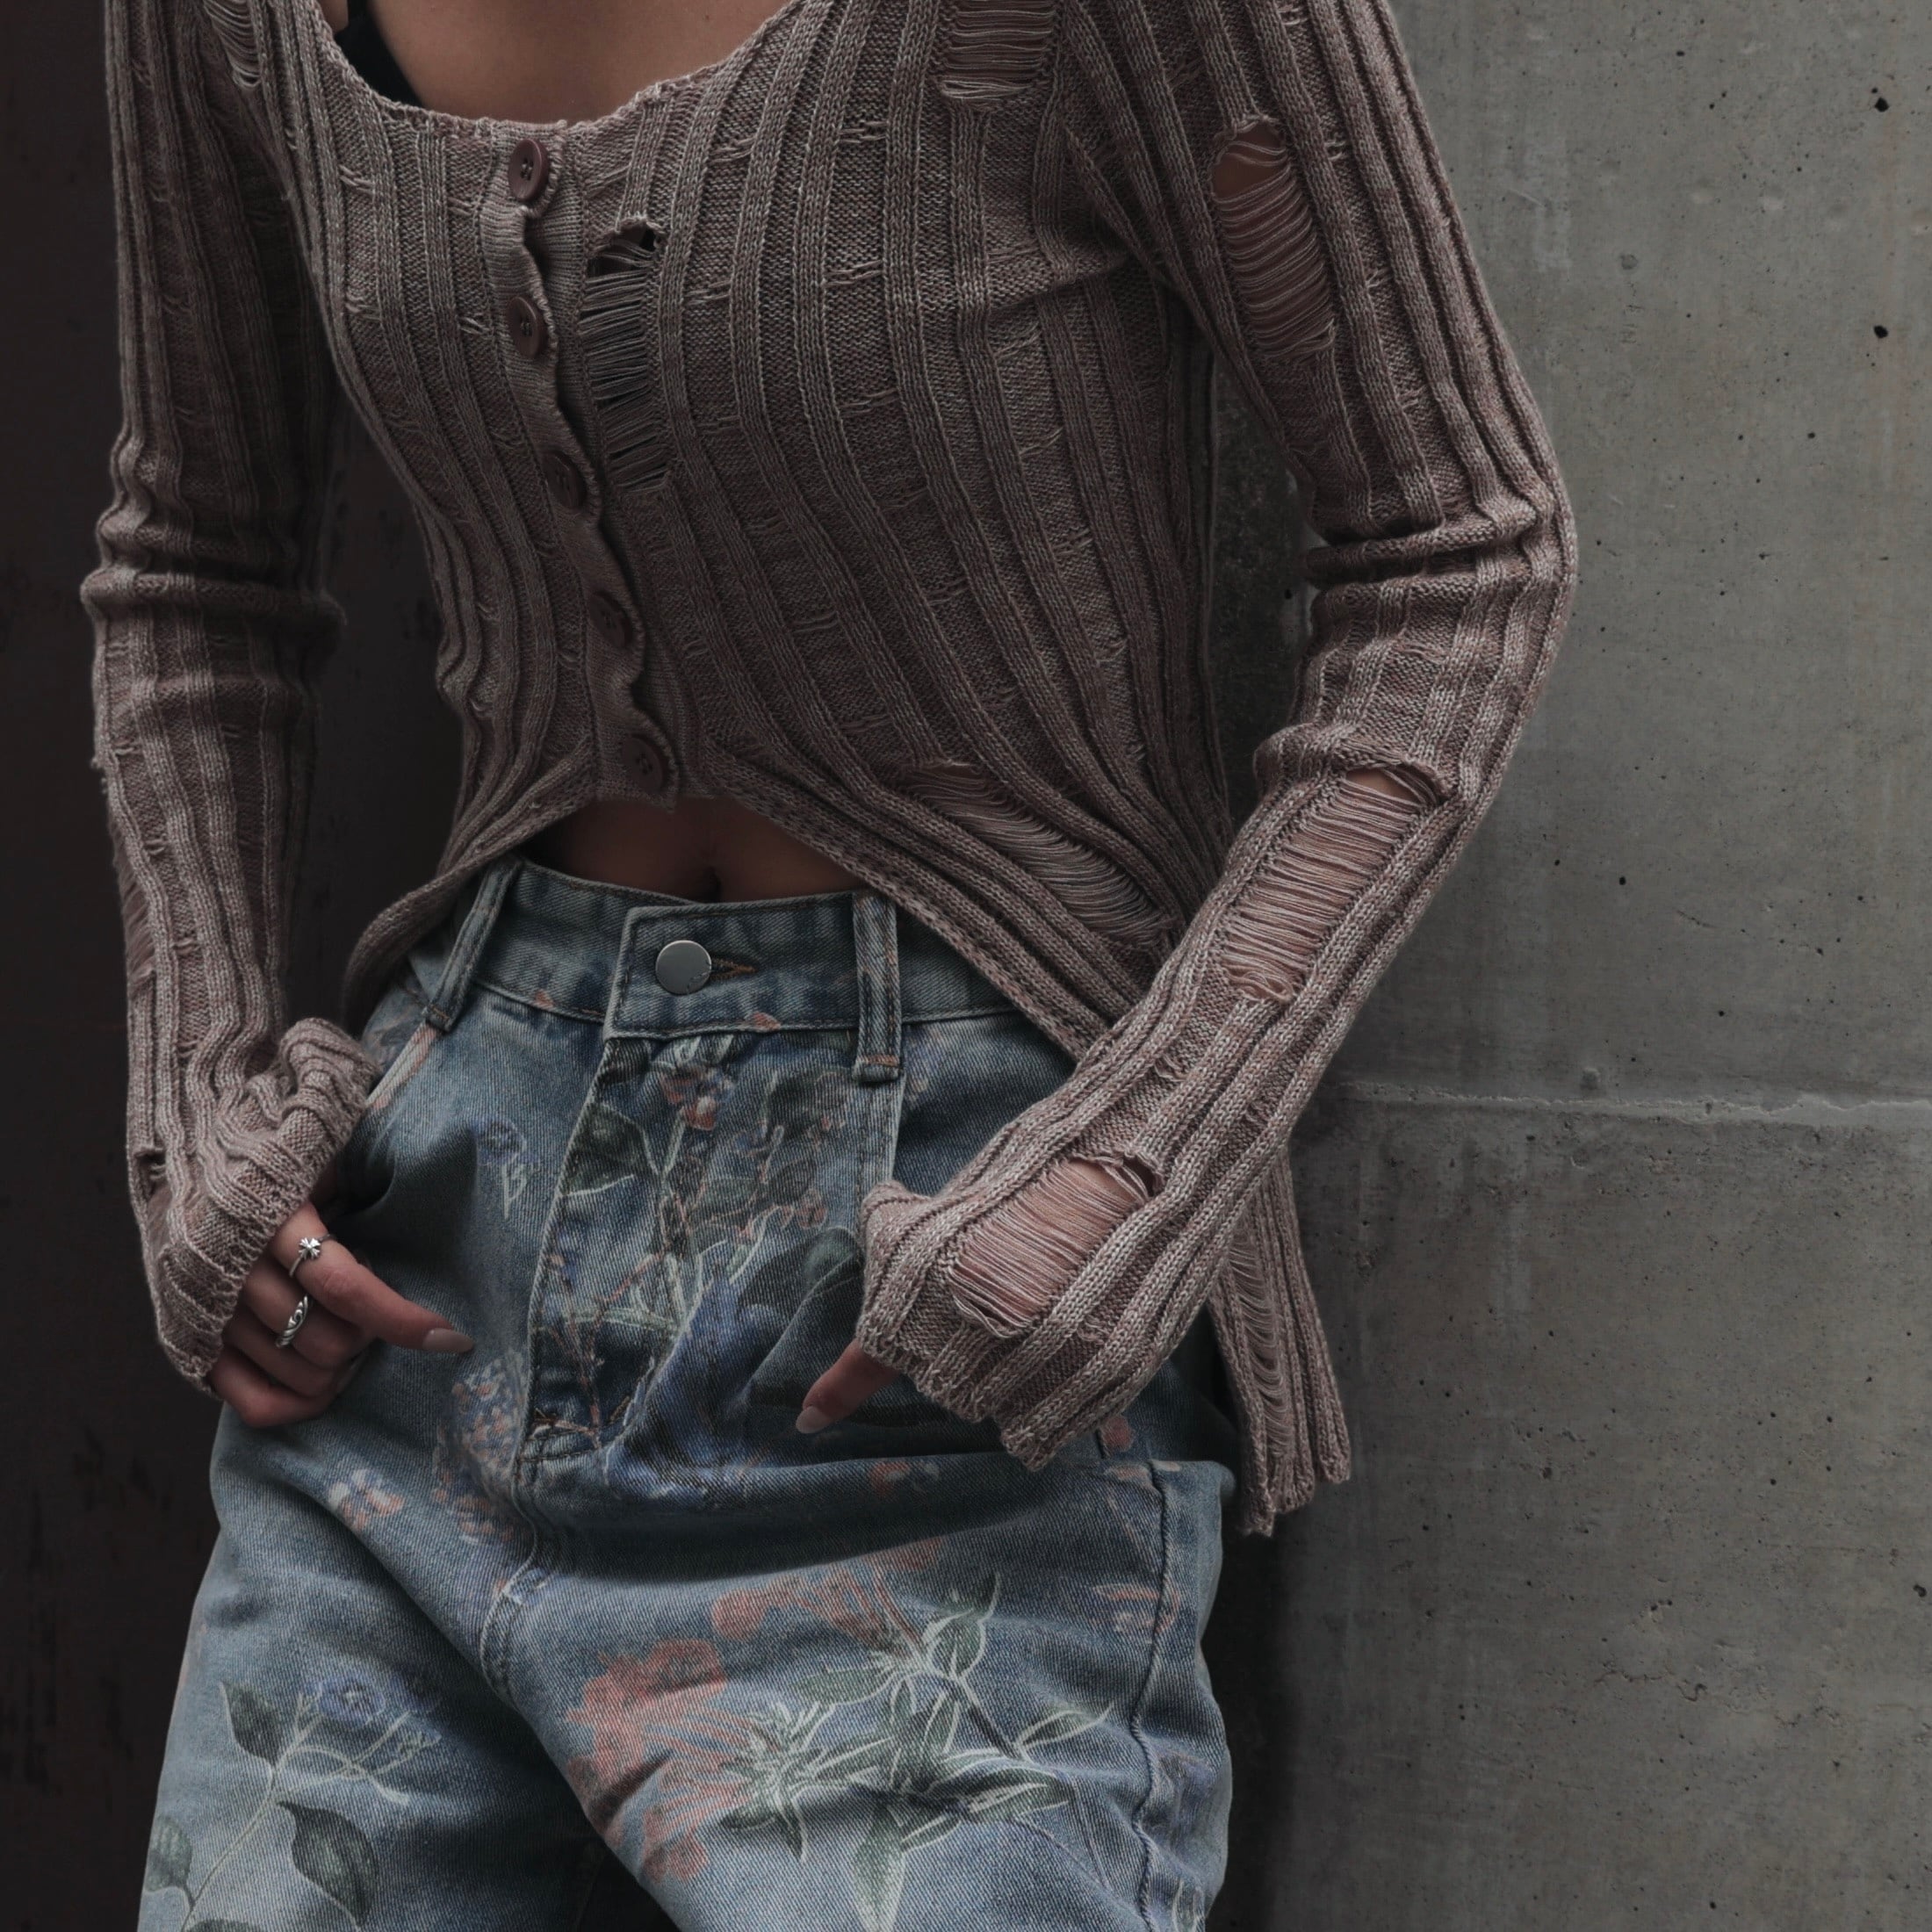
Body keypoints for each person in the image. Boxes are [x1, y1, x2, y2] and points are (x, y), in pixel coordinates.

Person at [85, 0, 1576, 1924]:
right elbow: (193, 559)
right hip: (426, 1292)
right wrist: (194, 1109)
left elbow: (1456, 550)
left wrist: (1133, 1170)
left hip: (952, 1322)